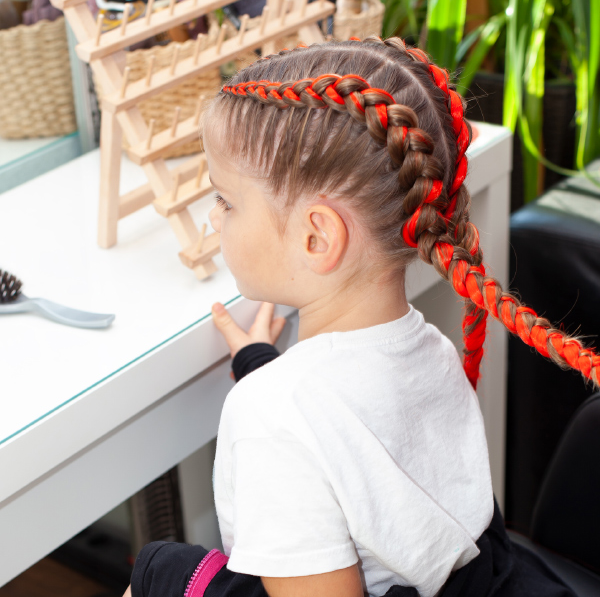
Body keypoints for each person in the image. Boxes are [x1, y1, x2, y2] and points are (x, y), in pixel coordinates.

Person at [123, 36, 599, 597]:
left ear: (317, 237)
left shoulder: (272, 414)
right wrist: (262, 366)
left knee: (160, 571)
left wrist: (269, 391)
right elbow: (349, 442)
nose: (213, 217)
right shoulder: (431, 348)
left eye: (226, 200)